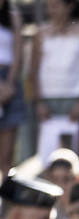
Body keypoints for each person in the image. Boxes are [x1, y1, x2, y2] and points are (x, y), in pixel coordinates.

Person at [29, 0, 79, 163]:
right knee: (47, 157)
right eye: (48, 6)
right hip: (48, 101)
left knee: (76, 156)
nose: (51, 10)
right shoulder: (40, 34)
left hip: (75, 100)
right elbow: (34, 71)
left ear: (69, 6)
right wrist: (39, 102)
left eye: (55, 5)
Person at [0, 0, 26, 178]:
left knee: (7, 154)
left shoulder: (13, 17)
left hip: (10, 83)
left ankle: (6, 198)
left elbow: (18, 53)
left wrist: (8, 84)